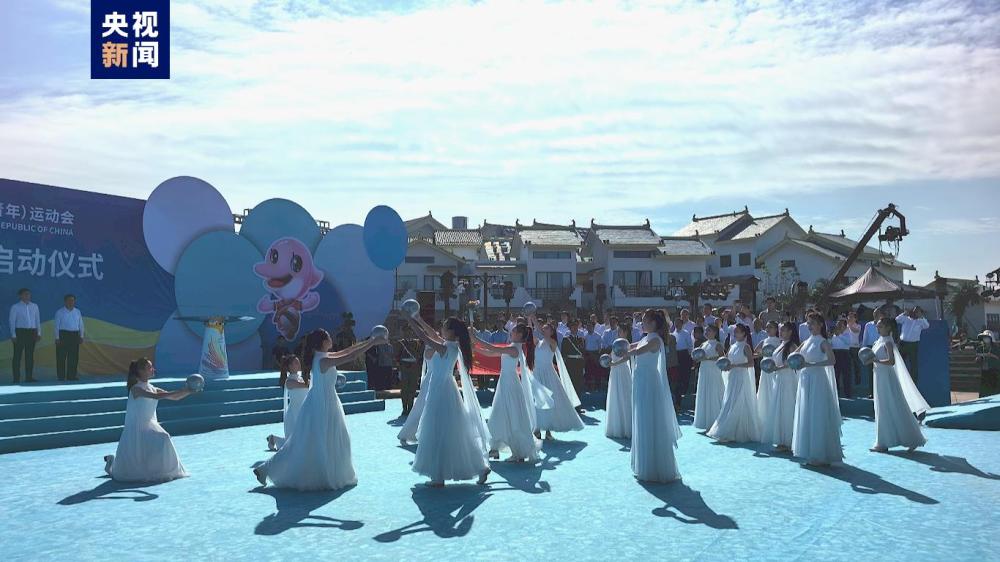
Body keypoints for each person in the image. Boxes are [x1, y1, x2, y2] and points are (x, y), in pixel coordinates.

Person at [253, 329, 380, 490]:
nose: (331, 338)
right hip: (321, 406)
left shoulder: (324, 357)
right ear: (323, 342)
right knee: (302, 444)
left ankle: (265, 468)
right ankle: (265, 469)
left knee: (309, 443)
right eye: (328, 337)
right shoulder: (322, 360)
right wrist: (373, 342)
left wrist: (371, 340)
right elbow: (351, 356)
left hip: (325, 403)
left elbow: (347, 351)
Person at [403, 315, 491, 487]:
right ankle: (478, 468)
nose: (441, 329)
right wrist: (418, 318)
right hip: (444, 389)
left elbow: (425, 337)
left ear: (451, 332)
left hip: (441, 391)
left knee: (438, 430)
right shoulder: (450, 346)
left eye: (444, 326)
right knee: (454, 432)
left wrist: (410, 321)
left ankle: (438, 476)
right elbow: (431, 334)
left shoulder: (446, 348)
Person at [103, 358, 195, 482]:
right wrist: (181, 390)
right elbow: (156, 396)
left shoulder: (152, 387)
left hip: (150, 425)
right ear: (141, 371)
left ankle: (162, 470)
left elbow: (175, 397)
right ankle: (112, 462)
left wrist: (189, 391)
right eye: (149, 367)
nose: (153, 369)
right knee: (162, 438)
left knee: (163, 439)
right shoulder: (136, 389)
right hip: (137, 427)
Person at [622, 309, 681, 483]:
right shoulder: (645, 338)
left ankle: (655, 467)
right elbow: (631, 346)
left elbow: (637, 351)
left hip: (649, 383)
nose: (642, 323)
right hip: (641, 381)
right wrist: (621, 346)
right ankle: (644, 464)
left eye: (645, 321)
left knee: (649, 419)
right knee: (641, 418)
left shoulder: (655, 340)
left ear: (654, 323)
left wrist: (626, 351)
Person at [473, 324, 547, 462]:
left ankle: (518, 451)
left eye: (513, 330)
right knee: (499, 413)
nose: (511, 332)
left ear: (519, 335)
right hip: (505, 383)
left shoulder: (514, 349)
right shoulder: (511, 347)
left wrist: (474, 338)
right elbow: (490, 353)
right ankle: (495, 449)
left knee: (513, 416)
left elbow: (493, 348)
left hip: (510, 385)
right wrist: (473, 347)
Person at [791, 312, 843, 467]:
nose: (809, 325)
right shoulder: (806, 341)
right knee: (807, 413)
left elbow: (832, 360)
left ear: (820, 325)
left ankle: (820, 454)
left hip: (818, 380)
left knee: (817, 414)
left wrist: (811, 365)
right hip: (805, 380)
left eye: (812, 323)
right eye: (808, 323)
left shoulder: (823, 342)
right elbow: (794, 355)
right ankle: (811, 452)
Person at [870, 317, 928, 453]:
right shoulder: (879, 341)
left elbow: (891, 361)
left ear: (888, 327)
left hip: (887, 378)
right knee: (882, 407)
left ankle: (895, 441)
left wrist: (876, 361)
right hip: (879, 376)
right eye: (877, 326)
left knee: (891, 406)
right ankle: (883, 441)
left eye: (880, 326)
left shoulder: (888, 342)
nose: (877, 328)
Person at [529, 316, 585, 439]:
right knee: (537, 401)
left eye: (546, 329)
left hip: (548, 375)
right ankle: (537, 429)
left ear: (551, 331)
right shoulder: (538, 342)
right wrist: (530, 319)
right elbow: (531, 333)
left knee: (550, 402)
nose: (543, 330)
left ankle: (548, 431)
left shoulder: (553, 343)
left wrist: (535, 320)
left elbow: (542, 334)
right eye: (543, 328)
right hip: (537, 374)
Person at [708, 324, 761, 443]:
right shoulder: (732, 346)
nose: (735, 333)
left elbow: (751, 363)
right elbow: (726, 358)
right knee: (730, 401)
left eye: (738, 331)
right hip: (732, 377)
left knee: (739, 401)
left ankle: (733, 431)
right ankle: (728, 430)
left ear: (743, 334)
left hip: (741, 377)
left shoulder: (746, 347)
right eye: (735, 331)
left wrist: (734, 366)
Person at [762, 322, 801, 451]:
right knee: (780, 408)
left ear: (790, 332)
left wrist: (777, 368)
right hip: (779, 379)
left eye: (783, 330)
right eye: (780, 330)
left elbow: (792, 363)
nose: (781, 332)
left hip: (788, 379)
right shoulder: (781, 344)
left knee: (787, 408)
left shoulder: (792, 346)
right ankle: (782, 439)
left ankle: (789, 440)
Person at [267, 354, 310, 451]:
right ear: (290, 366)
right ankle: (274, 439)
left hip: (303, 412)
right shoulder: (289, 381)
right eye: (296, 362)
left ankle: (274, 439)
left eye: (298, 361)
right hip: (294, 414)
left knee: (302, 441)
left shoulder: (301, 378)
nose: (299, 364)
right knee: (294, 445)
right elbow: (306, 385)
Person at [692, 324, 725, 431]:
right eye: (706, 331)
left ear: (715, 332)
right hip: (704, 371)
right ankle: (705, 421)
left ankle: (715, 421)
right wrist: (697, 358)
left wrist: (708, 358)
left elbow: (722, 357)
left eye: (709, 330)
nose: (706, 332)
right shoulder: (703, 344)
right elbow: (699, 357)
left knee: (713, 393)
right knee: (704, 392)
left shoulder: (718, 344)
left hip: (713, 371)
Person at [606, 323, 633, 439]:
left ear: (626, 332)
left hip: (622, 371)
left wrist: (614, 364)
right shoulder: (615, 343)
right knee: (615, 395)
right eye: (618, 331)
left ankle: (627, 427)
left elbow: (626, 358)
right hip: (615, 372)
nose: (618, 332)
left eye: (620, 331)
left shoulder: (627, 344)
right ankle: (617, 426)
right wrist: (607, 360)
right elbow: (612, 355)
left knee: (624, 395)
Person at [9, 288, 41, 383]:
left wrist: (39, 333)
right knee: (17, 356)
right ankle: (16, 378)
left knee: (29, 356)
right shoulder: (15, 307)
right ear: (20, 296)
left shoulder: (35, 306)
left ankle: (29, 377)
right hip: (20, 332)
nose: (27, 296)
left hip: (31, 332)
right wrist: (13, 334)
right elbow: (12, 321)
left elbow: (37, 320)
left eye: (29, 294)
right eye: (25, 294)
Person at [755, 321, 782, 423]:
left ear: (776, 329)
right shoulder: (764, 341)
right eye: (767, 327)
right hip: (765, 368)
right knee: (764, 390)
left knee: (773, 388)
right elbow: (756, 350)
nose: (768, 329)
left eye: (770, 327)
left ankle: (773, 414)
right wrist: (763, 353)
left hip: (774, 367)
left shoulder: (779, 341)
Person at [54, 294, 85, 381]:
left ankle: (71, 376)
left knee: (73, 357)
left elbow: (81, 325)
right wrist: (57, 337)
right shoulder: (59, 312)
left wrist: (81, 336)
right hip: (63, 335)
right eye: (69, 300)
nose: (71, 302)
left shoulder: (77, 311)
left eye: (72, 300)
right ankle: (61, 376)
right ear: (65, 301)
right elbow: (56, 326)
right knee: (61, 357)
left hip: (74, 335)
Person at [896, 306, 930, 383]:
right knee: (900, 362)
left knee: (913, 364)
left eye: (917, 312)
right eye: (914, 311)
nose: (915, 313)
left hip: (913, 345)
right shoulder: (906, 318)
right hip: (903, 343)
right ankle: (899, 380)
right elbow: (897, 320)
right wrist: (904, 313)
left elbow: (927, 326)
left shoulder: (921, 321)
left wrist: (921, 317)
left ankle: (913, 382)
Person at [672, 309, 695, 409]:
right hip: (676, 356)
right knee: (677, 378)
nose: (677, 325)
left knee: (685, 376)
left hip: (685, 355)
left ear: (682, 324)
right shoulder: (672, 334)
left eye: (679, 323)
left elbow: (690, 346)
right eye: (676, 323)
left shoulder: (686, 333)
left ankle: (683, 394)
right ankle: (677, 399)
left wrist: (691, 357)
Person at [395, 336, 424, 416]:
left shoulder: (418, 343)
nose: (408, 333)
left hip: (414, 368)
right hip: (404, 367)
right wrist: (399, 368)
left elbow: (419, 355)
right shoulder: (401, 343)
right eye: (406, 331)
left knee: (412, 389)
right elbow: (396, 356)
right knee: (404, 390)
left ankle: (410, 408)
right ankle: (404, 408)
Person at [561, 319, 587, 404]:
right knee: (571, 384)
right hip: (570, 363)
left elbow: (583, 354)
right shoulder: (566, 339)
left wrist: (583, 366)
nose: (575, 328)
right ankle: (571, 403)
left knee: (579, 384)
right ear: (570, 328)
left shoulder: (581, 339)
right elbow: (563, 353)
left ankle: (578, 404)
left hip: (579, 364)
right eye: (573, 326)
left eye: (576, 326)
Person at [861, 308, 884, 396]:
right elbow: (865, 337)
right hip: (870, 348)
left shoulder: (883, 324)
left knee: (880, 369)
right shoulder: (868, 325)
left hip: (880, 348)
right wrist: (863, 349)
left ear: (881, 314)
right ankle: (872, 392)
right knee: (871, 371)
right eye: (874, 313)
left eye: (877, 313)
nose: (875, 315)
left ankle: (880, 391)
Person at [831, 319, 853, 398]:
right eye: (837, 324)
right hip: (835, 354)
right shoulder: (834, 335)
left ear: (845, 326)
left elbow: (849, 342)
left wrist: (839, 335)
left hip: (844, 354)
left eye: (840, 324)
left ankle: (847, 393)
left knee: (846, 374)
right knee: (835, 374)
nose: (838, 326)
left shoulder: (848, 333)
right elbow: (831, 344)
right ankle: (836, 392)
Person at [975, 332, 1000, 397]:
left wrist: (992, 356)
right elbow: (977, 360)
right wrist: (978, 359)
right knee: (984, 390)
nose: (985, 339)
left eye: (987, 337)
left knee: (994, 389)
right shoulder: (980, 348)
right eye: (984, 337)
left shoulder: (996, 348)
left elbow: (998, 358)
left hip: (994, 371)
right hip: (984, 371)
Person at [846, 311, 863, 387]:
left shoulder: (858, 326)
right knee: (848, 365)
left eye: (852, 317)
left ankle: (857, 381)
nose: (850, 318)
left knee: (856, 364)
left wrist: (849, 325)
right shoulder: (846, 326)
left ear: (855, 318)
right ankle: (849, 381)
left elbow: (855, 331)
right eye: (849, 316)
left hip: (855, 347)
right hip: (847, 347)